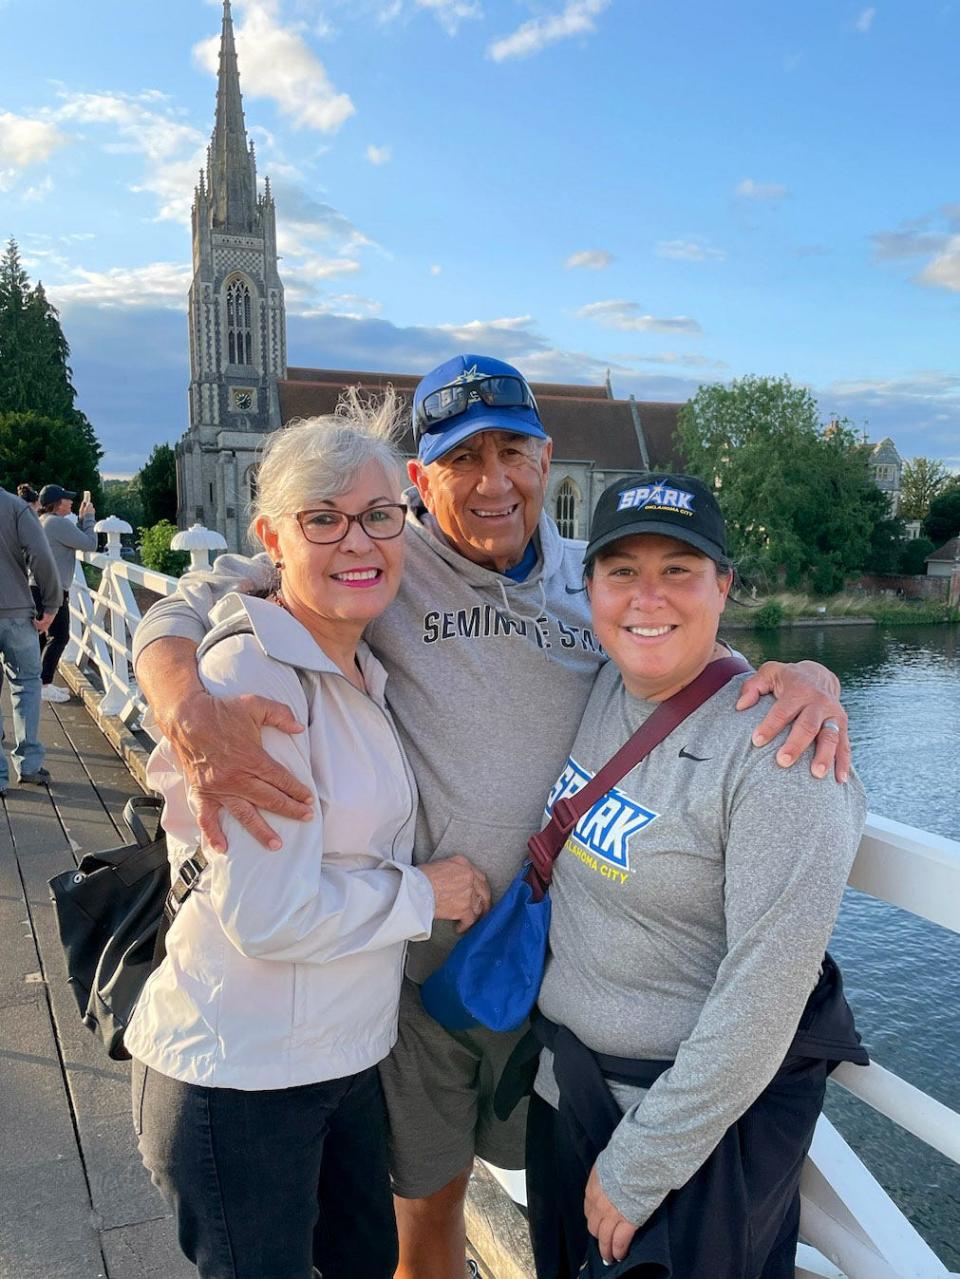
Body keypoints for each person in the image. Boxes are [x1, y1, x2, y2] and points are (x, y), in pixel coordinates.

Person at [131, 354, 851, 1278]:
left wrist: (811, 679)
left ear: (546, 459)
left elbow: (672, 636)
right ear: (422, 478)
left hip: (548, 977)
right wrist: (184, 700)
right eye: (462, 460)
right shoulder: (376, 557)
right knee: (425, 1218)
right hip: (415, 978)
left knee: (561, 1217)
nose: (492, 481)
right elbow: (191, 603)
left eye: (512, 450)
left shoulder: (590, 584)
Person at [124, 397, 491, 1279]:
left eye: (376, 516)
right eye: (322, 519)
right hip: (241, 1081)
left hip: (341, 1063)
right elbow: (272, 916)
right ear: (272, 539)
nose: (357, 542)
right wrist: (426, 895)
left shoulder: (358, 654)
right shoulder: (254, 676)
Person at [519, 474, 867, 1278]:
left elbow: (763, 998)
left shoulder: (783, 757)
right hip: (569, 1096)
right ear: (591, 586)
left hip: (679, 1144)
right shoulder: (602, 682)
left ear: (724, 585)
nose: (649, 596)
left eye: (679, 568)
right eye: (622, 571)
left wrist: (642, 1163)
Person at [0, 486, 61, 794]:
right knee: (26, 683)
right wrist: (51, 604)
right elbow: (40, 554)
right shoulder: (14, 507)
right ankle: (29, 765)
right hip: (15, 611)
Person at [35, 483, 98, 702]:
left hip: (39, 586)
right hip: (53, 589)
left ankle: (38, 682)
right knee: (59, 636)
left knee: (43, 636)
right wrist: (89, 518)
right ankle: (44, 684)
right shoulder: (57, 523)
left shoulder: (44, 521)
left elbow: (75, 539)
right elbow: (90, 544)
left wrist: (80, 521)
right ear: (57, 504)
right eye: (67, 499)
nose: (71, 501)